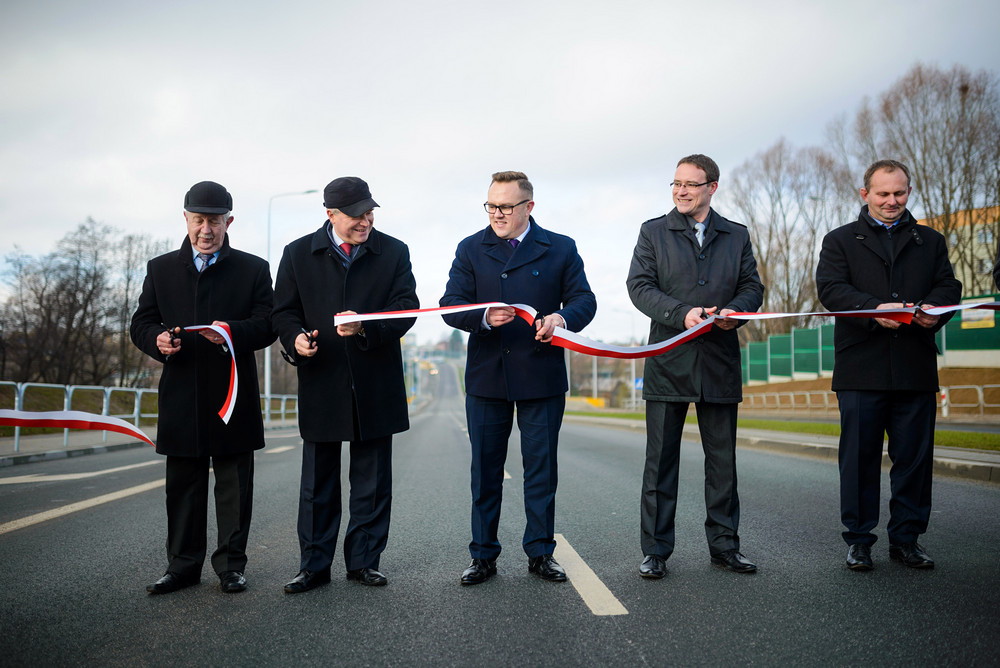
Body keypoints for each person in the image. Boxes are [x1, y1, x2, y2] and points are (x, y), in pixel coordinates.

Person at [440, 170, 596, 585]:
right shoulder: (471, 248)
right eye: (491, 205)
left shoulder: (560, 247)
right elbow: (450, 305)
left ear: (529, 206)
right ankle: (483, 556)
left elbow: (584, 299)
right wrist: (484, 317)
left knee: (541, 471)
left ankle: (541, 554)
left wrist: (561, 318)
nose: (497, 214)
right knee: (485, 471)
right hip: (487, 378)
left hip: (540, 374)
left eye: (506, 206)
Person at [272, 176, 418, 592]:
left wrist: (367, 328)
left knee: (372, 482)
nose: (365, 221)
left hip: (376, 380)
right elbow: (283, 312)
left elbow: (406, 308)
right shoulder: (298, 253)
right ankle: (314, 566)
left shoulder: (394, 251)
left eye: (369, 212)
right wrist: (295, 340)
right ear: (330, 214)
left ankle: (364, 562)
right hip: (322, 379)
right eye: (356, 215)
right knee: (317, 482)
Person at [130, 181, 275, 595]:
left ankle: (231, 566)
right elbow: (141, 323)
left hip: (233, 396)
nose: (206, 230)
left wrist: (232, 332)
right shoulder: (160, 268)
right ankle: (182, 566)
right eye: (199, 220)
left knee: (234, 486)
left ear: (229, 222)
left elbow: (268, 323)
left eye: (214, 221)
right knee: (182, 487)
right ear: (186, 219)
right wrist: (157, 340)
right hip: (181, 394)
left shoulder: (253, 269)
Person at [816, 159, 961, 571]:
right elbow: (831, 289)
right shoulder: (839, 240)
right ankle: (859, 540)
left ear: (908, 192)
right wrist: (871, 309)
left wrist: (939, 309)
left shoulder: (930, 241)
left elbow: (948, 285)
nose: (891, 201)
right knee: (859, 459)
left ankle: (907, 540)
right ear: (865, 195)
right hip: (861, 367)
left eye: (899, 193)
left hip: (914, 367)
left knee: (914, 460)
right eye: (883, 194)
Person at [626, 154, 764, 578]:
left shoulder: (736, 236)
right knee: (661, 462)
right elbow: (639, 286)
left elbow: (751, 287)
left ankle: (725, 547)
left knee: (722, 463)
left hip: (719, 362)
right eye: (675, 183)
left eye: (690, 184)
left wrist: (732, 312)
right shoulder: (653, 232)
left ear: (712, 188)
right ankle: (656, 551)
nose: (681, 191)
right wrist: (682, 313)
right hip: (668, 361)